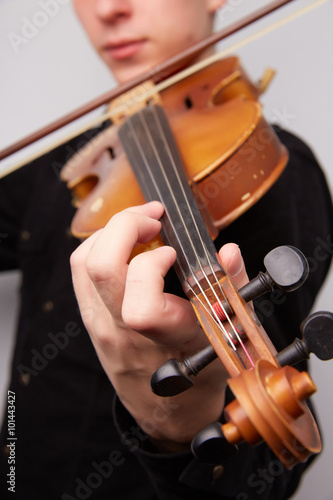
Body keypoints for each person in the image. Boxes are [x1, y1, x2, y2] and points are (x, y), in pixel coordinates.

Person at [0, 1, 332, 499]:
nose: (109, 9)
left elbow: (263, 479)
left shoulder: (267, 167)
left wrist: (181, 427)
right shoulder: (75, 162)